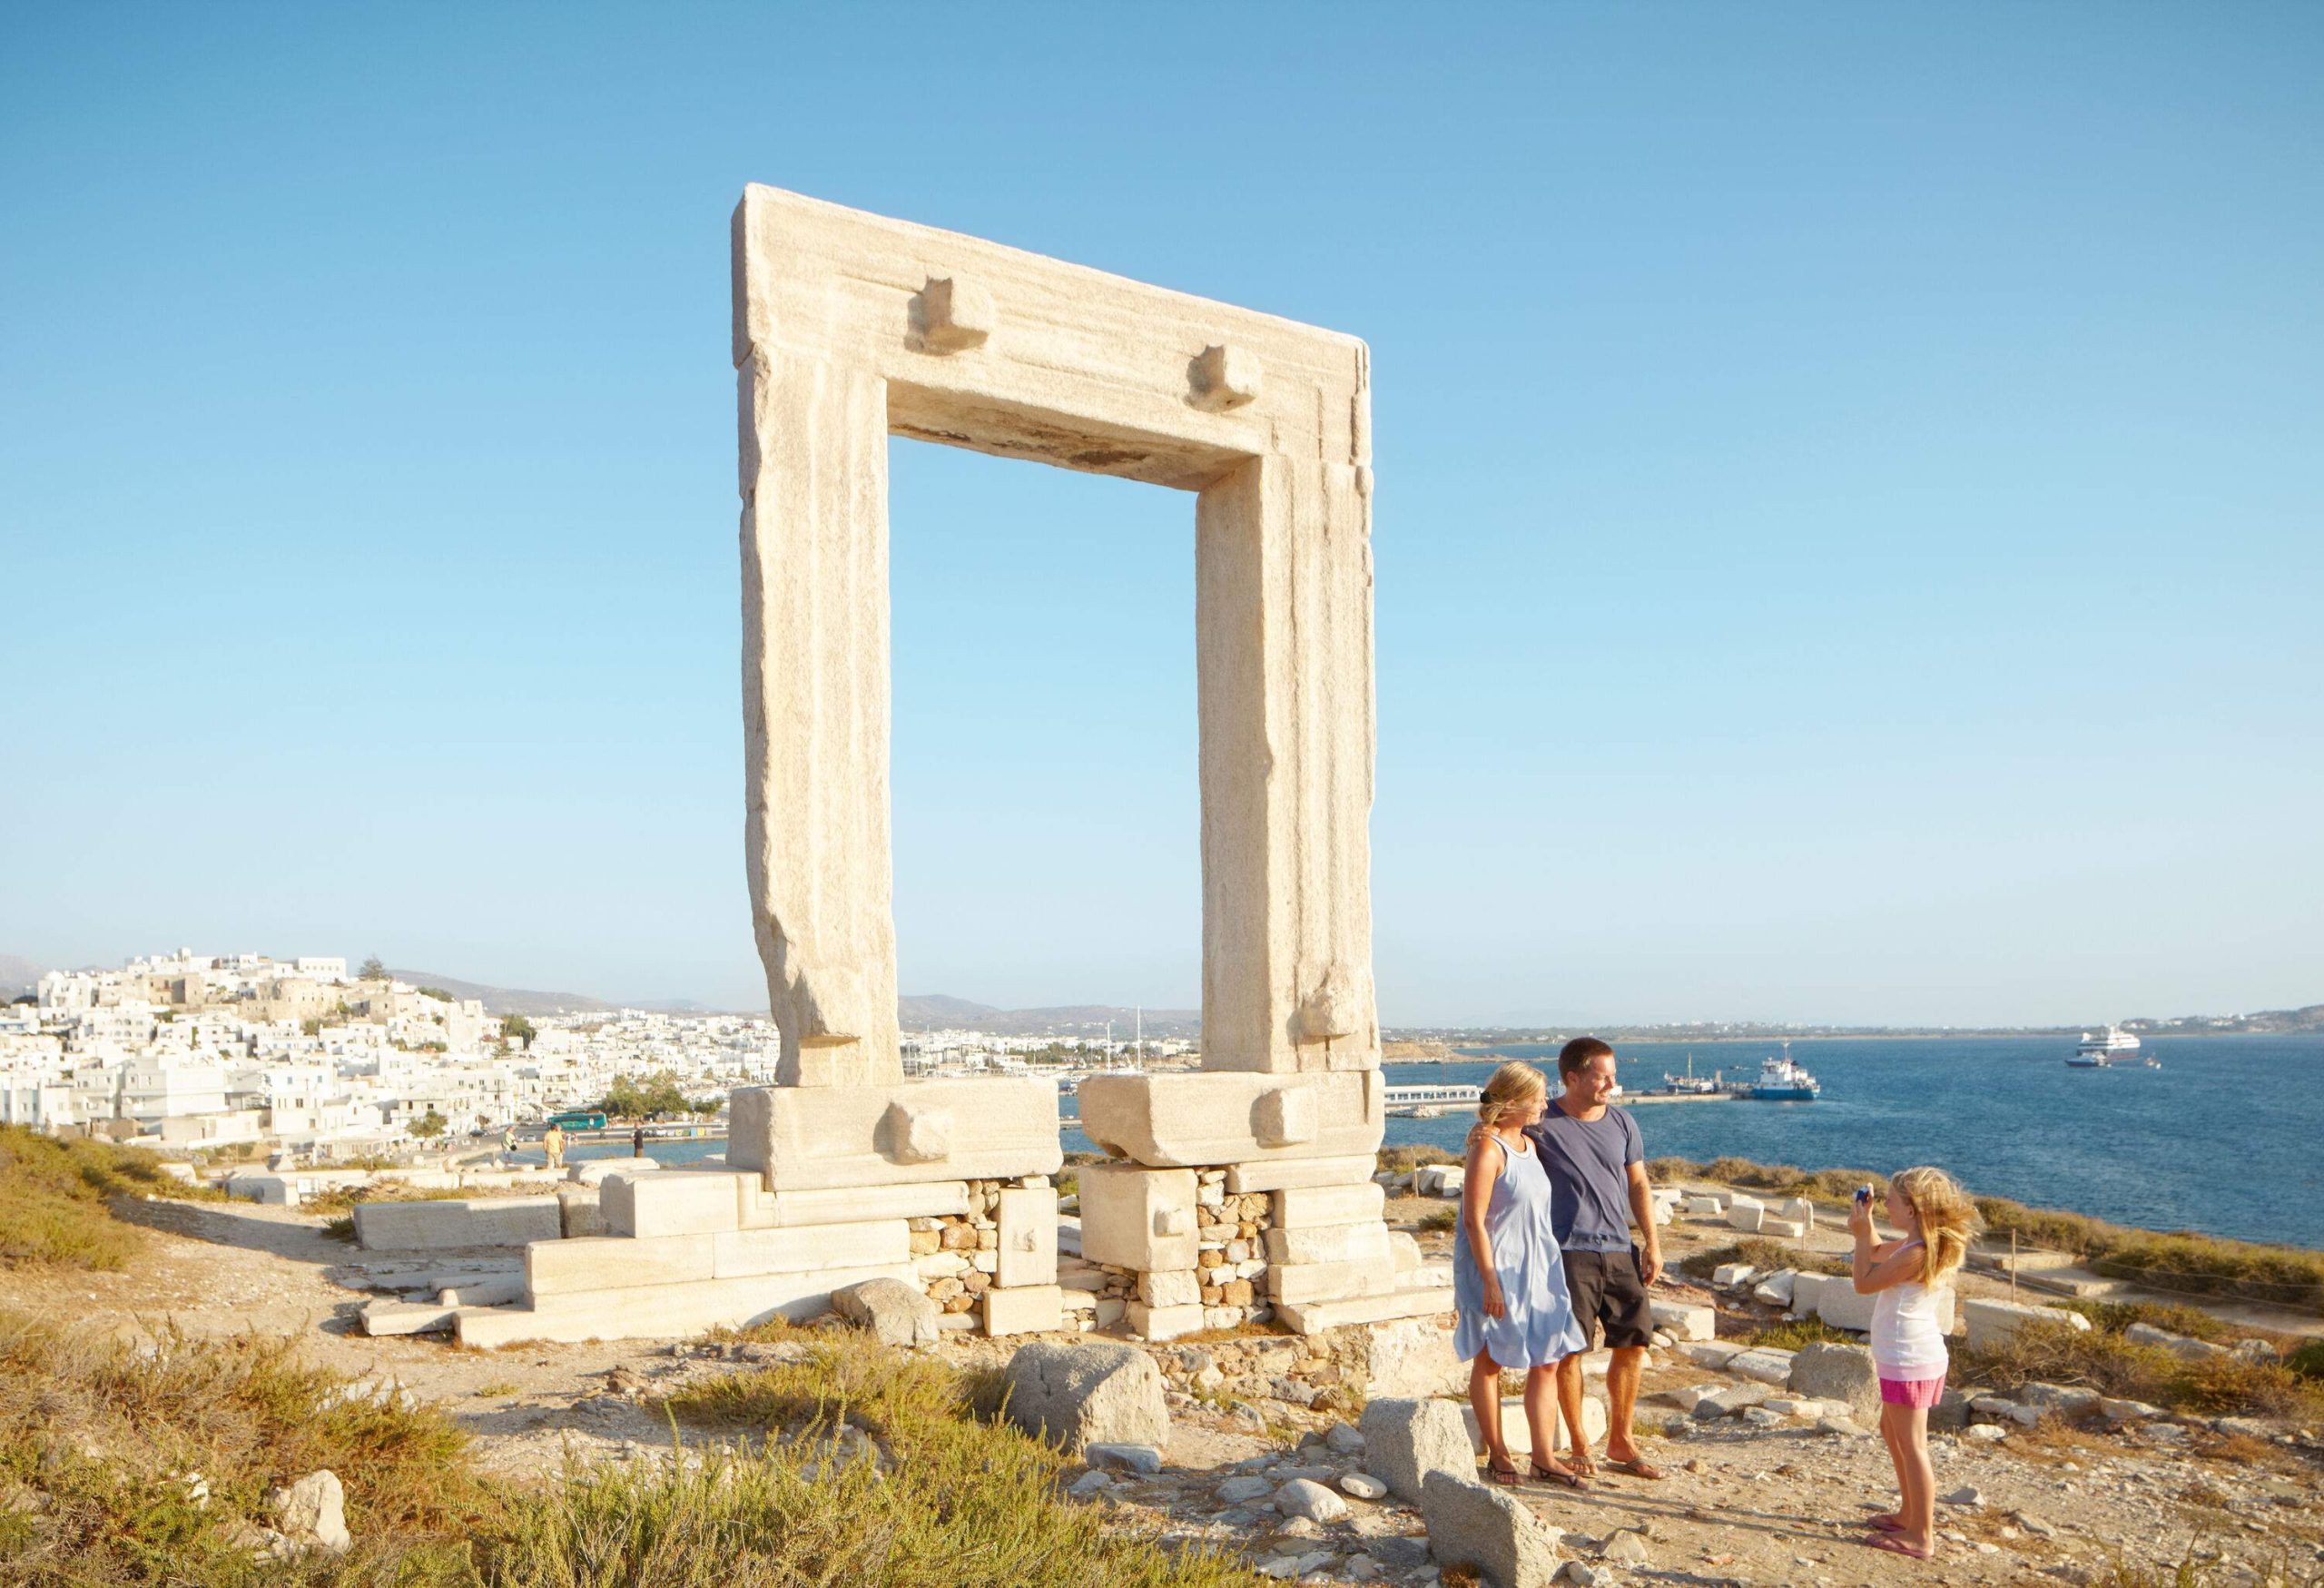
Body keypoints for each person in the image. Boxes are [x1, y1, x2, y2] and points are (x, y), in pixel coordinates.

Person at [1524, 1036, 1665, 1480]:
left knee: (1633, 1344)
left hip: (1620, 1250)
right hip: (1568, 1253)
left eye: (1613, 1075)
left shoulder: (1623, 1122)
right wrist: (1481, 1130)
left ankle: (1622, 1441)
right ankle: (1580, 1443)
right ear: (1573, 1077)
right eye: (1602, 1075)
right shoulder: (1541, 1119)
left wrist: (1653, 1243)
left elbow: (1639, 1185)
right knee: (1570, 1352)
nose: (1611, 1083)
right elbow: (1495, 1116)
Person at [1452, 1061, 1590, 1488]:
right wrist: (1490, 1280)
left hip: (1538, 1266)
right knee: (1490, 1359)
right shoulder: (1488, 1148)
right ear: (1512, 1101)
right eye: (1536, 1097)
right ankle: (1498, 1453)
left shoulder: (1529, 1143)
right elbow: (1474, 1221)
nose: (1544, 1103)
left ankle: (1544, 1456)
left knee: (1548, 1358)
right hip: (1495, 1266)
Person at [1850, 1166, 1980, 1561]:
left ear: (1913, 1209)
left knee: (1912, 1445)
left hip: (1909, 1358)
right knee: (1892, 1433)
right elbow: (1874, 1252)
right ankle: (1908, 1514)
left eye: (1892, 1199)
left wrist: (1857, 1238)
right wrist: (1866, 1224)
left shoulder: (1920, 1252)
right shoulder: (1916, 1242)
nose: (1886, 1202)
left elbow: (1864, 1281)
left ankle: (1921, 1535)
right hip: (1903, 1355)